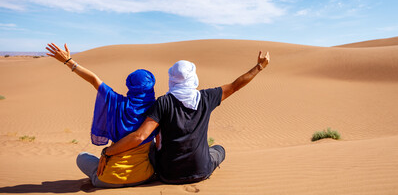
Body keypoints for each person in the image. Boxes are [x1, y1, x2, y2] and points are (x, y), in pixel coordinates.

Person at [99, 51, 271, 184]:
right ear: (192, 77)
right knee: (219, 150)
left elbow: (140, 136)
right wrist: (259, 67)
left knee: (150, 148)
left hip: (168, 174)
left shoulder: (163, 103)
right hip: (201, 171)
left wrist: (107, 152)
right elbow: (235, 86)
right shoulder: (206, 98)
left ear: (172, 78)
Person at [45, 43, 157, 188]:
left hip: (107, 180)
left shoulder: (116, 102)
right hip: (144, 177)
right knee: (153, 144)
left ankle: (95, 177)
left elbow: (94, 80)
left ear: (130, 85)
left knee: (82, 157)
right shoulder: (156, 110)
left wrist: (68, 61)